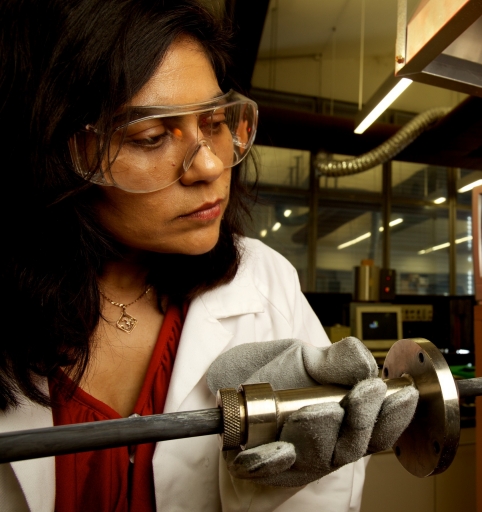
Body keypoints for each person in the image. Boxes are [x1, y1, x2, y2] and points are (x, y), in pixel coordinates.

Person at [0, 1, 418, 511]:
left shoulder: (264, 282)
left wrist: (280, 487)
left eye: (215, 122)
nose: (211, 164)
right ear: (54, 152)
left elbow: (335, 502)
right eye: (151, 137)